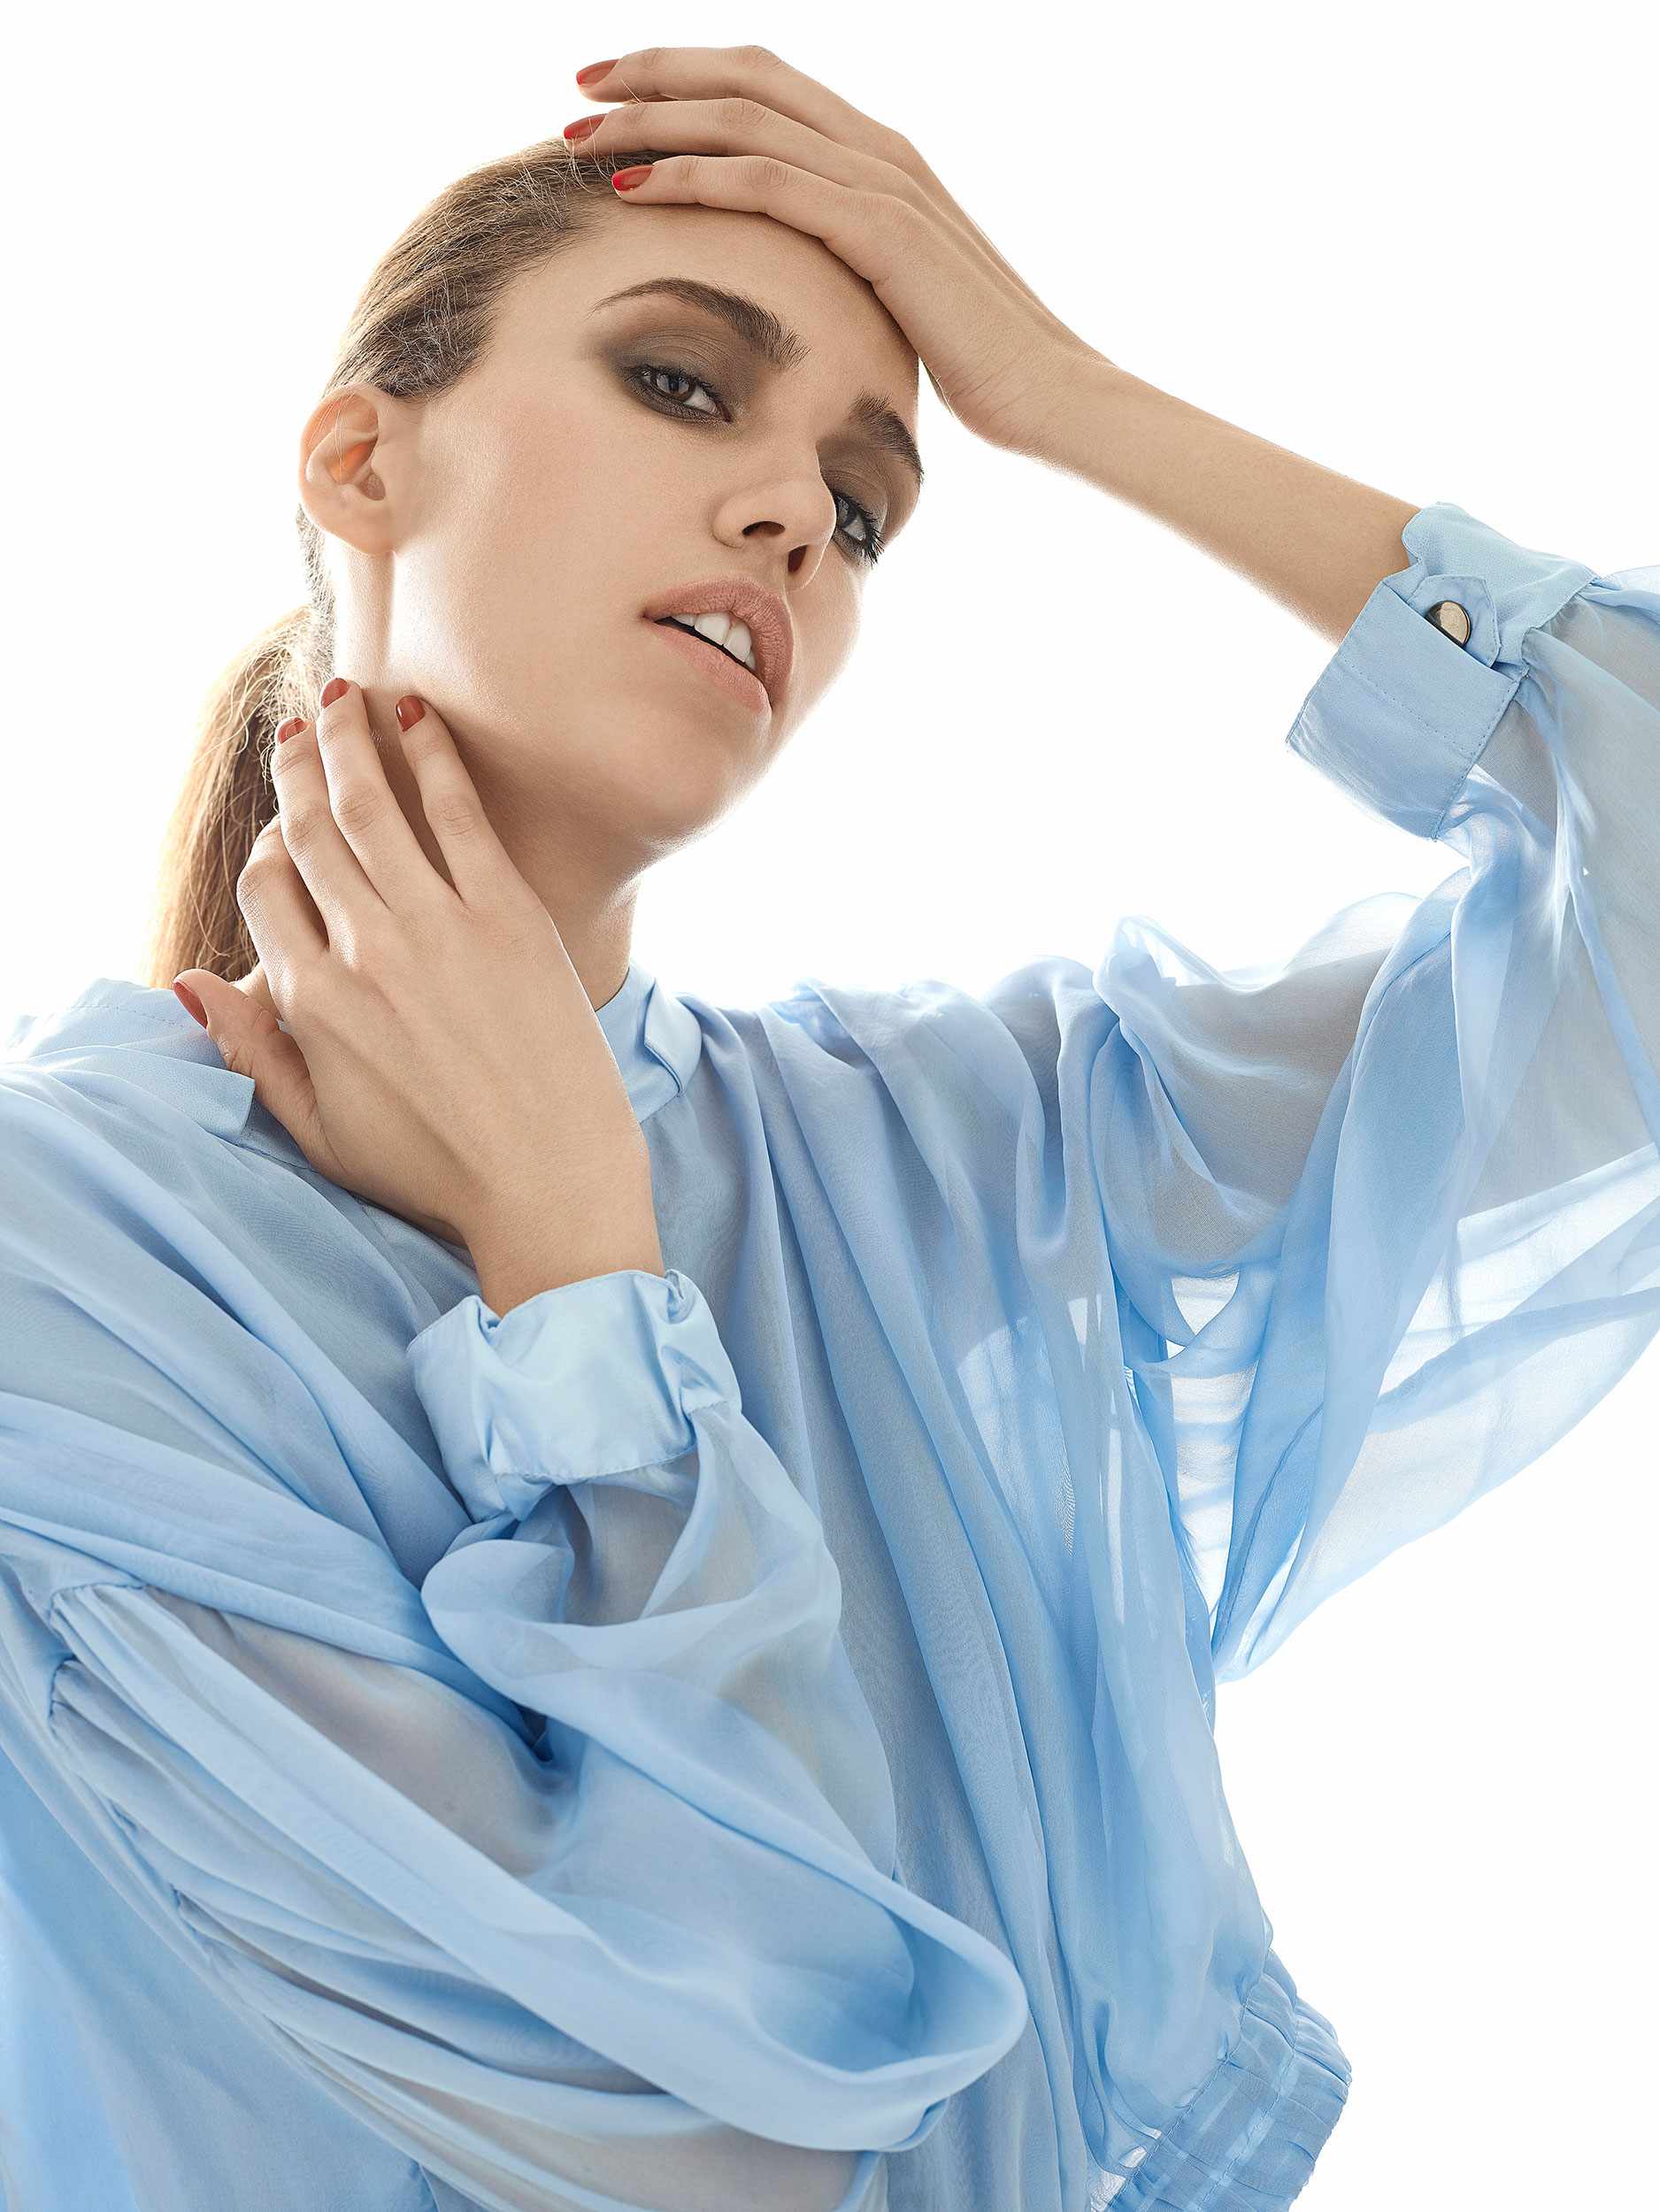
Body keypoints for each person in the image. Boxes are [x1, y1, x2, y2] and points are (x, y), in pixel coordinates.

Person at [0, 42, 1654, 2212]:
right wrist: (575, 1272)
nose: (797, 513)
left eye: (863, 505)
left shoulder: (955, 1153)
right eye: (683, 384)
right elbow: (715, 2127)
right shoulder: (60, 1251)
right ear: (358, 457)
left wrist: (1064, 391)